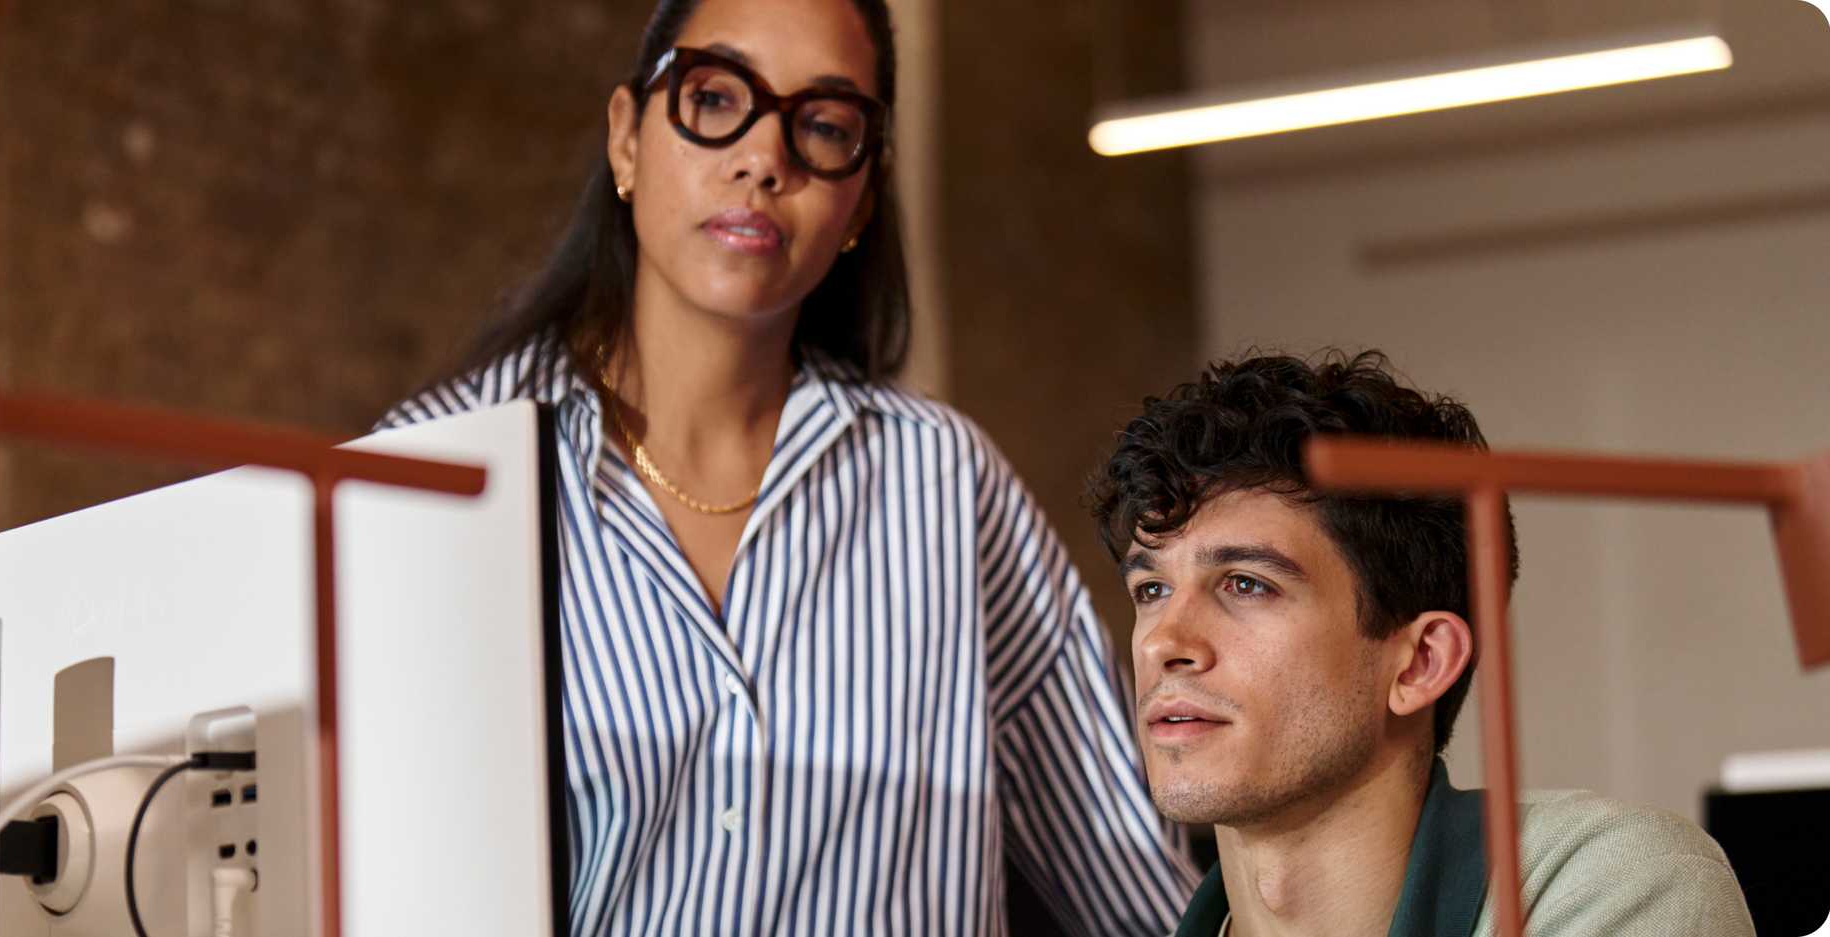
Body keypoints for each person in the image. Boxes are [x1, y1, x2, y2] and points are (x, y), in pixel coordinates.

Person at [377, 0, 1194, 932]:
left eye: (826, 125)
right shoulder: (433, 475)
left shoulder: (942, 483)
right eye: (715, 97)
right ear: (626, 141)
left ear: (862, 202)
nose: (765, 158)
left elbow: (1135, 883)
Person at [1085, 350, 1755, 937]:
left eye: (1247, 584)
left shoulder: (1620, 881)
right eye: (1151, 590)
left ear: (1422, 661)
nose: (1164, 642)